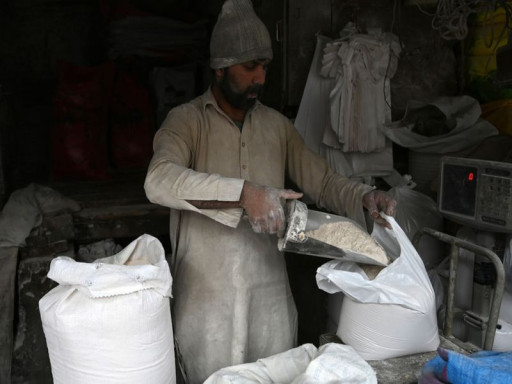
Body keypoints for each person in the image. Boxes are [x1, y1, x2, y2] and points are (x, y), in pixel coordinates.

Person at [144, 0, 397, 382]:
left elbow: (324, 182)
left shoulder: (278, 127)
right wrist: (245, 193)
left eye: (264, 66)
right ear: (220, 67)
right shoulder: (186, 121)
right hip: (206, 299)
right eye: (250, 67)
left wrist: (363, 196)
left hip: (270, 299)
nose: (260, 77)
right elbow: (158, 180)